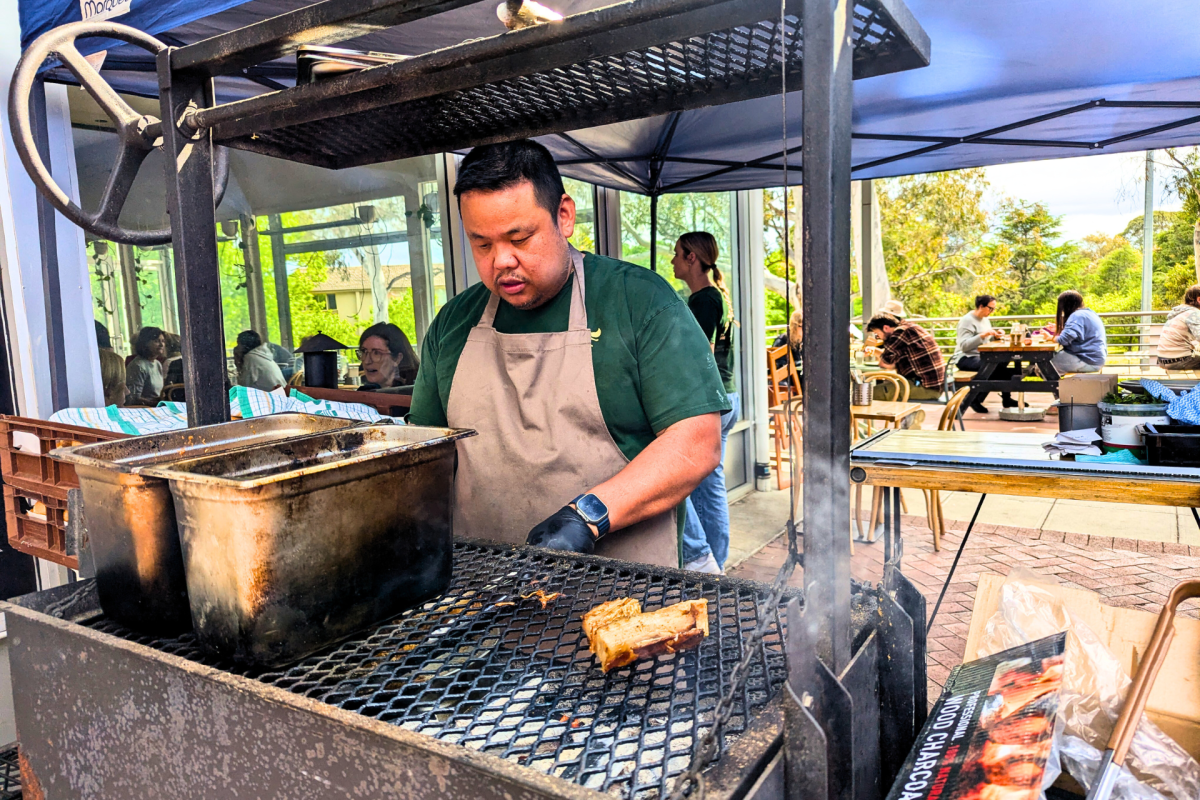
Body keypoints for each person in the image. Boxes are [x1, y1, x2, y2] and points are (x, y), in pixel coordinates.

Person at [408, 140, 727, 569]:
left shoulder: (640, 302)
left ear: (564, 215)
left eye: (519, 237)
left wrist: (586, 517)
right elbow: (423, 457)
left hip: (623, 593)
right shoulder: (452, 325)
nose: (501, 260)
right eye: (481, 244)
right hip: (486, 598)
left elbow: (696, 444)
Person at [671, 232, 738, 574]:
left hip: (710, 401)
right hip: (726, 396)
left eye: (677, 254)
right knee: (710, 485)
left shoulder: (704, 301)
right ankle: (716, 563)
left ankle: (705, 562)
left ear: (692, 258)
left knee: (687, 481)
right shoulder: (715, 296)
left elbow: (701, 355)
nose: (672, 261)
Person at [953, 294, 1015, 414]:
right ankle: (974, 399)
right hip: (966, 357)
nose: (991, 312)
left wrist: (995, 336)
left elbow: (986, 341)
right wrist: (982, 335)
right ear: (981, 306)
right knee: (994, 368)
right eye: (990, 308)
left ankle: (1006, 399)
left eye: (993, 309)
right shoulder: (967, 321)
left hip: (981, 356)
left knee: (1001, 365)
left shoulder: (985, 319)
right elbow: (964, 346)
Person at [865, 311, 945, 400]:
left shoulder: (900, 333)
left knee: (868, 394)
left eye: (877, 333)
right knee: (883, 388)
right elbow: (892, 364)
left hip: (925, 388)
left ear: (886, 328)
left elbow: (885, 362)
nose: (878, 337)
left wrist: (873, 350)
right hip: (934, 386)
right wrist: (875, 351)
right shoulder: (910, 327)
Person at [1050, 291, 1106, 374]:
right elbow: (1080, 333)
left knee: (1045, 365)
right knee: (1045, 362)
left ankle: (1053, 386)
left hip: (1087, 361)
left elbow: (1064, 340)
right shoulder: (1088, 312)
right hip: (1094, 359)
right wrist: (1060, 328)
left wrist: (1051, 338)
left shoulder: (1076, 316)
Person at [357, 322, 420, 392]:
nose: (367, 361)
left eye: (376, 353)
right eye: (364, 351)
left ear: (397, 359)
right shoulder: (364, 392)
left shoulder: (415, 392)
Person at [1156, 285, 1200, 371]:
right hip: (1177, 360)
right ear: (1199, 299)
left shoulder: (1181, 313)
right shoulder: (1195, 313)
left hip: (1163, 360)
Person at [126, 326, 166, 403]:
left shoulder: (157, 364)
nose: (161, 344)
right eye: (157, 341)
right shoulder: (138, 366)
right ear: (145, 343)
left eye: (163, 341)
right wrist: (154, 403)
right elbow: (133, 398)